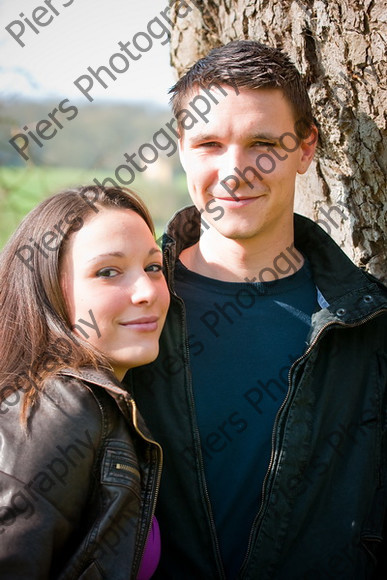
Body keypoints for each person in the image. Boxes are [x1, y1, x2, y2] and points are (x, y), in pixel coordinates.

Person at [127, 40, 387, 579]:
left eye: (263, 142)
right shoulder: (124, 314)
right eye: (209, 143)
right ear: (180, 148)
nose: (235, 169)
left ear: (306, 147)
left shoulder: (368, 326)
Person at [0, 185, 170, 579]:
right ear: (46, 291)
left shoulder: (100, 399)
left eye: (153, 267)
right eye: (107, 272)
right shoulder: (57, 406)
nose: (147, 291)